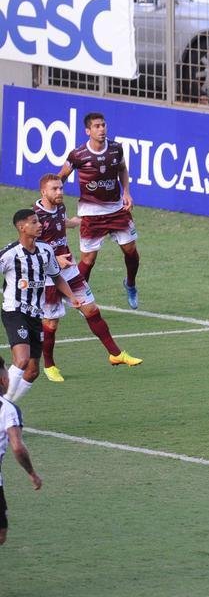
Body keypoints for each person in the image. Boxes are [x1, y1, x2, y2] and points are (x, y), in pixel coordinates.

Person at [34, 174, 142, 382]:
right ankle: (49, 365)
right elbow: (29, 249)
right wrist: (55, 258)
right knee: (51, 323)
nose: (60, 192)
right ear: (43, 192)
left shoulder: (60, 207)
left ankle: (116, 354)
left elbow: (61, 223)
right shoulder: (35, 217)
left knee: (91, 309)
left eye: (61, 188)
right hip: (48, 277)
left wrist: (80, 221)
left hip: (69, 271)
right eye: (54, 189)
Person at [58, 112, 141, 309]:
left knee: (132, 253)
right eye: (97, 126)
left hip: (116, 209)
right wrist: (53, 200)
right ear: (88, 131)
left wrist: (126, 193)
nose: (102, 129)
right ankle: (77, 296)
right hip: (91, 212)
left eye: (103, 125)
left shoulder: (115, 149)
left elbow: (122, 169)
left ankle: (130, 284)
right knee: (88, 259)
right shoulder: (78, 155)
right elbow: (61, 176)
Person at [1, 210, 79, 403]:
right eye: (34, 222)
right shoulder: (10, 254)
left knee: (33, 371)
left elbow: (56, 276)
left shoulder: (45, 250)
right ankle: (3, 410)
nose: (40, 225)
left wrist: (72, 297)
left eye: (39, 222)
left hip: (36, 314)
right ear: (22, 227)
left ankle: (7, 405)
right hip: (14, 311)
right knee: (21, 360)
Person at [0, 364, 42, 546]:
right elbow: (17, 447)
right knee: (1, 533)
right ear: (4, 380)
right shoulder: (7, 409)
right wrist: (32, 473)